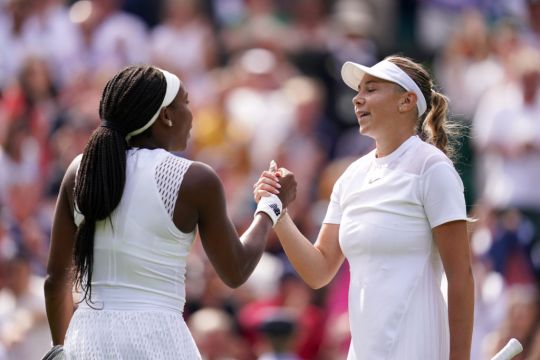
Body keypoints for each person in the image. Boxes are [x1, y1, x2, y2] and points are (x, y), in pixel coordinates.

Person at [43, 65, 296, 359]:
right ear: (166, 115)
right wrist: (270, 207)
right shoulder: (196, 179)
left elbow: (55, 279)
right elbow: (235, 270)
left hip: (86, 339)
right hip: (159, 339)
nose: (192, 114)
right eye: (185, 103)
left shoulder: (79, 170)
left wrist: (59, 348)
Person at [254, 55, 475, 359]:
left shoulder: (432, 168)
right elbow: (318, 270)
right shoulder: (350, 177)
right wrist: (279, 213)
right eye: (358, 91)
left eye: (371, 89)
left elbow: (460, 275)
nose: (357, 99)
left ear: (406, 101)